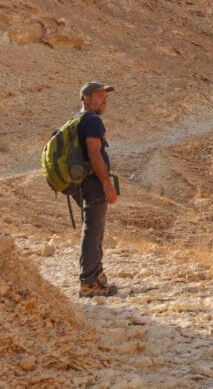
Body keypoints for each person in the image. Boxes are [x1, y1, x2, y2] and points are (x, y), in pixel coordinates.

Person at [73, 81, 119, 297]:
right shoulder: (92, 121)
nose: (104, 101)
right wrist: (106, 183)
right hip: (93, 182)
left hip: (84, 182)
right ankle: (89, 283)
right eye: (99, 97)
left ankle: (96, 277)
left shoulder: (78, 119)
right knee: (93, 230)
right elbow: (94, 154)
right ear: (86, 99)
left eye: (105, 97)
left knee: (93, 228)